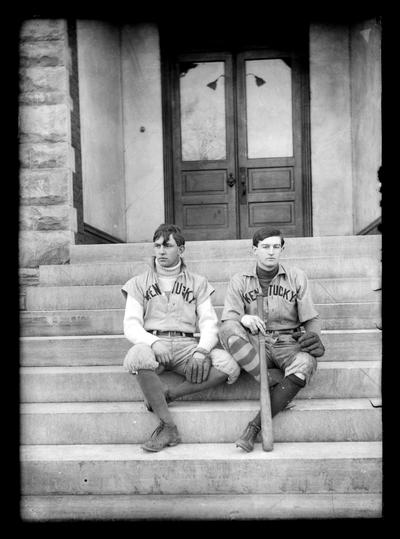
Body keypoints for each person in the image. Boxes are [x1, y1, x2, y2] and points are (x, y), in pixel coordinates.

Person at [121, 223, 240, 452]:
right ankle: (168, 426)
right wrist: (154, 342)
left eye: (168, 246)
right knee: (138, 355)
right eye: (157, 246)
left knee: (229, 364)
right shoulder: (138, 282)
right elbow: (131, 325)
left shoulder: (198, 282)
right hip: (153, 343)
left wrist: (201, 350)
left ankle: (168, 395)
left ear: (181, 249)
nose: (161, 252)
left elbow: (208, 323)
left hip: (187, 345)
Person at [219, 227, 325, 452]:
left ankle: (253, 428)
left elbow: (311, 318)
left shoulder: (296, 276)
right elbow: (229, 318)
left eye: (276, 247)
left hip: (288, 342)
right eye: (265, 247)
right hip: (255, 341)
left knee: (306, 362)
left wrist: (314, 337)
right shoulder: (239, 280)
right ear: (254, 250)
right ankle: (274, 383)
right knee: (228, 329)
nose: (271, 252)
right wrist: (245, 318)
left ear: (282, 249)